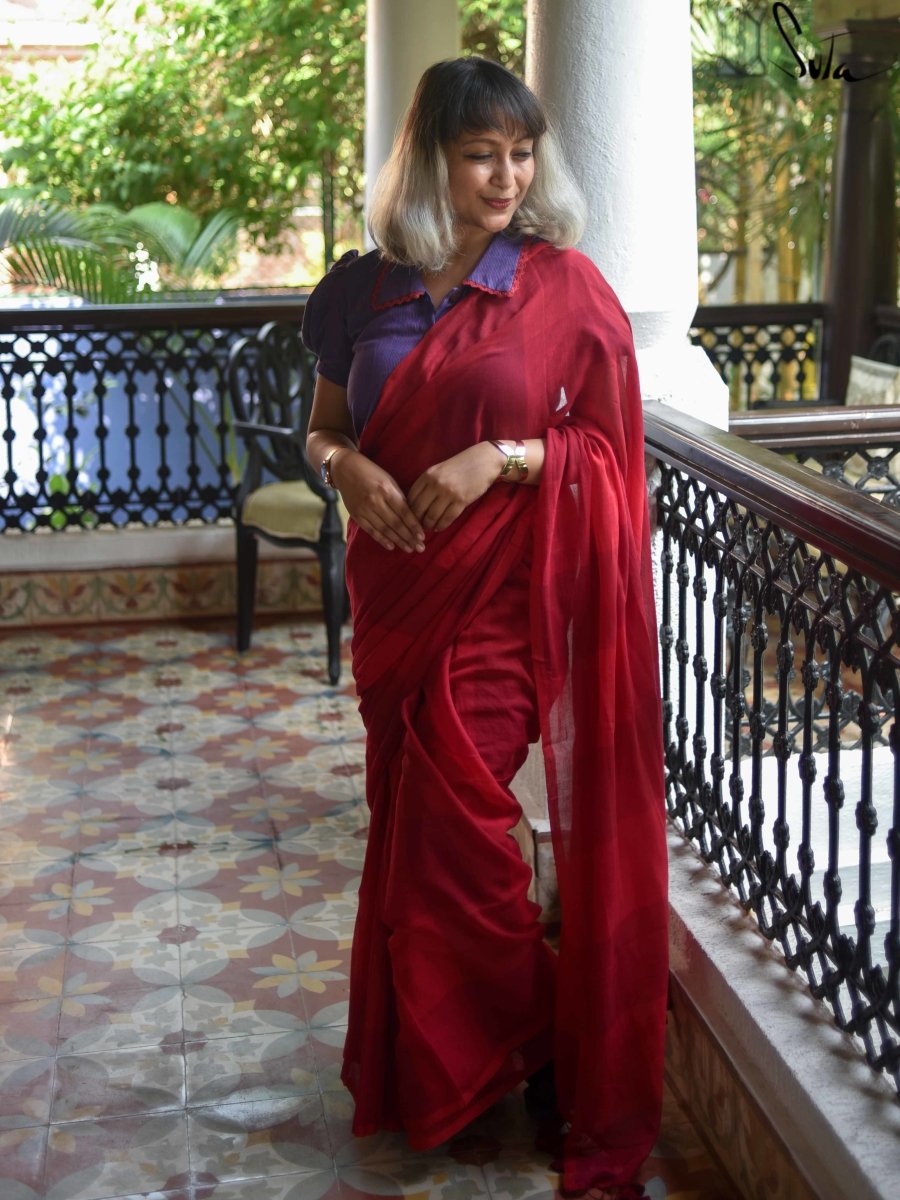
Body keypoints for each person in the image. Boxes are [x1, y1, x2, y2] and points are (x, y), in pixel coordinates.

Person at [302, 56, 668, 1199]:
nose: (507, 177)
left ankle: (538, 1038)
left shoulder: (564, 287)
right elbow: (321, 427)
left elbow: (611, 452)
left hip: (502, 602)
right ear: (429, 161)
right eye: (479, 155)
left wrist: (499, 458)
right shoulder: (359, 289)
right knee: (412, 835)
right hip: (395, 592)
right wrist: (344, 467)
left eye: (521, 153)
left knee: (456, 829)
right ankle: (468, 1061)